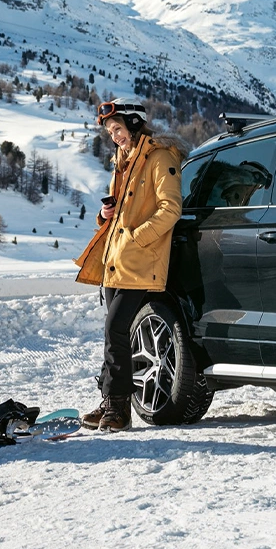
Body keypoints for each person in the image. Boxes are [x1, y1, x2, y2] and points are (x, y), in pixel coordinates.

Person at [74, 99, 185, 432]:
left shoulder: (160, 159)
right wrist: (104, 216)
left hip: (139, 261)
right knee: (115, 336)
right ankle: (110, 404)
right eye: (110, 132)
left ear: (135, 124)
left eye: (118, 129)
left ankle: (119, 410)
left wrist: (137, 237)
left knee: (116, 329)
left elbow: (171, 209)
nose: (114, 137)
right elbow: (120, 213)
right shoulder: (122, 162)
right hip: (116, 261)